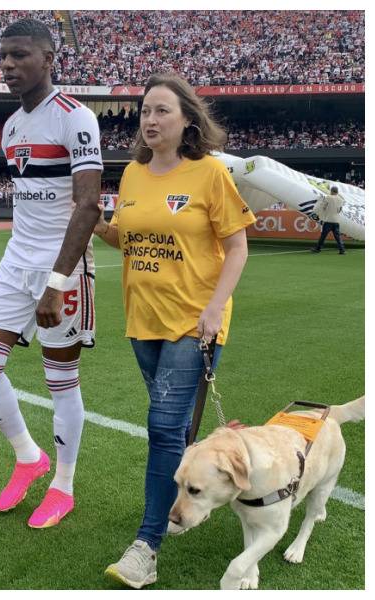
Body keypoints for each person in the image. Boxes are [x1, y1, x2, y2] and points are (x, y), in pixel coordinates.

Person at [94, 72, 254, 589]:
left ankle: (147, 545)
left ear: (187, 119)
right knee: (177, 428)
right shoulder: (134, 177)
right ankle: (203, 487)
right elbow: (130, 239)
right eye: (144, 110)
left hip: (193, 321)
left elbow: (237, 248)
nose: (150, 119)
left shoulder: (209, 174)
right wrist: (96, 224)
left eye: (162, 110)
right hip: (143, 322)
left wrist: (215, 308)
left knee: (163, 429)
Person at [0, 19, 102, 531]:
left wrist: (58, 281)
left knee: (60, 379)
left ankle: (63, 485)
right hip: (15, 260)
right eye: (3, 58)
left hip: (61, 266)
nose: (8, 66)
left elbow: (88, 206)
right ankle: (29, 457)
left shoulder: (75, 117)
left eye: (20, 56)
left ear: (49, 58)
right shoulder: (11, 126)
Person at [311, 186, 346, 254]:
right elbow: (340, 210)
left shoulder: (328, 197)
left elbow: (323, 206)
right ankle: (342, 250)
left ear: (331, 191)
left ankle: (318, 249)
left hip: (328, 220)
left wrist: (319, 212)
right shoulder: (341, 199)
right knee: (337, 237)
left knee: (323, 236)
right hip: (336, 221)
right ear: (337, 192)